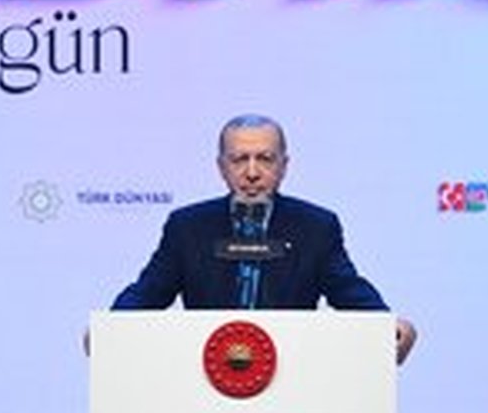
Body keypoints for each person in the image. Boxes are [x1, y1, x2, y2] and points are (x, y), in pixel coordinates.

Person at [109, 114, 416, 364]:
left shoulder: (316, 226)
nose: (252, 172)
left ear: (284, 166)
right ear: (221, 167)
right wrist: (109, 328)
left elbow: (348, 290)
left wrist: (387, 324)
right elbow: (149, 292)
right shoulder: (187, 226)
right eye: (239, 159)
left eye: (265, 159)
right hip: (206, 376)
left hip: (291, 375)